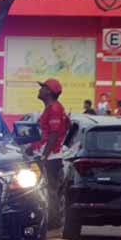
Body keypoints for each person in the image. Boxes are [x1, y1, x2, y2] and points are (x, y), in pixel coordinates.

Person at [28, 78, 69, 228]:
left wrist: (44, 156)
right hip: (47, 155)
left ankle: (52, 223)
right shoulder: (51, 108)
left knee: (49, 190)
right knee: (44, 189)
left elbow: (53, 135)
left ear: (49, 92)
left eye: (42, 87)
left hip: (51, 157)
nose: (39, 90)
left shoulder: (54, 109)